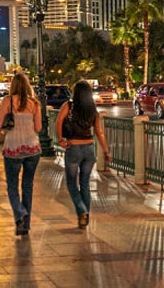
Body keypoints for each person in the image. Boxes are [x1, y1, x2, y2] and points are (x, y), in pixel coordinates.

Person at [56, 81, 112, 229]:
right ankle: (84, 217)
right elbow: (99, 132)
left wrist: (60, 140)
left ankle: (82, 211)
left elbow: (59, 121)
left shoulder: (69, 106)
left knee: (71, 183)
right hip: (89, 149)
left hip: (74, 147)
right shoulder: (92, 109)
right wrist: (106, 150)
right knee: (85, 183)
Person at [0, 72, 42, 236]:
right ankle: (25, 225)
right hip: (32, 148)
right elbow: (38, 128)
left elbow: (0, 124)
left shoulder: (7, 101)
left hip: (13, 149)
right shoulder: (34, 103)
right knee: (27, 186)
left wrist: (0, 131)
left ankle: (20, 212)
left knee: (12, 185)